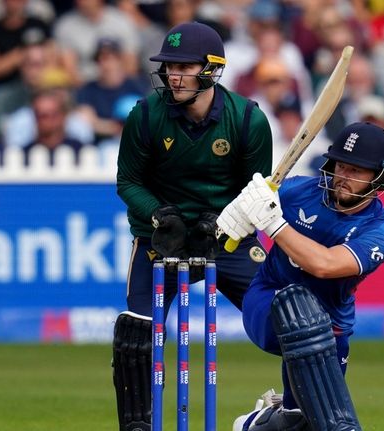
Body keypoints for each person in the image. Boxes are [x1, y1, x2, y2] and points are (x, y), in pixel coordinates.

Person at [112, 21, 273, 431]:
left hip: (226, 239)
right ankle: (138, 425)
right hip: (160, 240)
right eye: (169, 66)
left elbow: (257, 194)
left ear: (211, 69)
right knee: (137, 335)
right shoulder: (146, 116)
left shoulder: (248, 120)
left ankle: (295, 413)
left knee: (289, 321)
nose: (173, 75)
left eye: (184, 66)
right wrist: (158, 215)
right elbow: (128, 181)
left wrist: (221, 223)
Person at [217, 122, 384, 431]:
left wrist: (274, 225)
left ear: (379, 179)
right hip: (268, 299)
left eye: (356, 171)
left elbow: (325, 265)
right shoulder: (297, 190)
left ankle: (256, 423)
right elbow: (242, 209)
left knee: (303, 422)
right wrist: (240, 209)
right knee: (300, 308)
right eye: (341, 166)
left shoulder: (381, 231)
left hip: (330, 326)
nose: (343, 177)